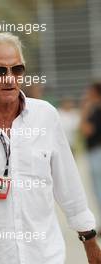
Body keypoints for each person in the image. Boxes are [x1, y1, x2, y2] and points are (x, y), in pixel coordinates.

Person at [0, 32, 101, 264]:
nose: (9, 78)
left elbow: (69, 185)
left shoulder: (46, 116)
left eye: (16, 69)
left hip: (44, 256)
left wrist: (90, 241)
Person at [81, 83, 101, 235]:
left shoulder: (96, 110)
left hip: (96, 152)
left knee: (98, 189)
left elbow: (86, 130)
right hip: (95, 152)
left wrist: (85, 111)